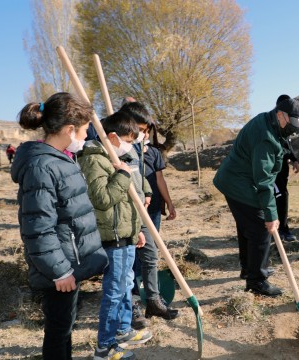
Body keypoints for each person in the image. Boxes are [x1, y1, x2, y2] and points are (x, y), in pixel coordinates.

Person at [10, 92, 109, 360]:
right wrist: (60, 271)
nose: (87, 136)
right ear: (69, 130)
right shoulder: (42, 166)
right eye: (86, 129)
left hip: (68, 262)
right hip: (59, 268)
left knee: (64, 326)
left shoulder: (59, 159)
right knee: (58, 330)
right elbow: (37, 227)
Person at [213, 96, 299, 297]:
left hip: (234, 179)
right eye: (292, 124)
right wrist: (272, 215)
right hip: (238, 182)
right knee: (261, 228)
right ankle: (257, 281)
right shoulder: (265, 136)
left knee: (248, 225)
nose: (293, 130)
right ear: (281, 115)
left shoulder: (269, 122)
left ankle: (250, 268)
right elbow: (264, 181)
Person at [78, 111, 153, 359]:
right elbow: (102, 199)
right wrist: (122, 174)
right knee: (114, 292)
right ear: (111, 137)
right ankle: (105, 347)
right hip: (113, 238)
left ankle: (122, 330)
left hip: (125, 234)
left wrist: (136, 231)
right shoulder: (94, 160)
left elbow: (128, 200)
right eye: (128, 140)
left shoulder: (113, 157)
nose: (130, 146)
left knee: (125, 286)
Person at [118, 101, 178, 322]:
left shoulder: (150, 152)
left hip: (148, 210)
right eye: (140, 130)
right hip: (127, 211)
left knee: (150, 254)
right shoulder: (119, 149)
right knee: (131, 259)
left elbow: (153, 180)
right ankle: (132, 302)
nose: (143, 134)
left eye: (145, 131)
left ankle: (153, 300)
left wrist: (168, 203)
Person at [274, 94, 299, 242]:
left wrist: (294, 159)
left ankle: (282, 229)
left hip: (282, 170)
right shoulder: (273, 125)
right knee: (279, 197)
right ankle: (280, 230)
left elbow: (287, 145)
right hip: (271, 171)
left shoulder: (286, 125)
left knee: (282, 196)